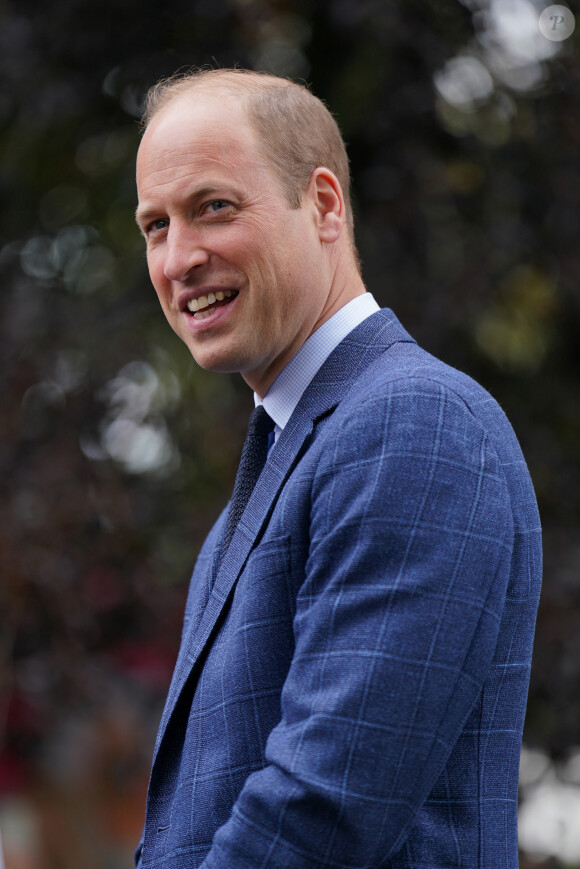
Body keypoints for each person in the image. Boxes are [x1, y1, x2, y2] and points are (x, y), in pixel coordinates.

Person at [134, 68, 542, 868]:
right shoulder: (300, 447)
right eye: (155, 225)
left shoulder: (413, 424)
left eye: (213, 207)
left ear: (323, 204)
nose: (179, 258)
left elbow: (321, 808)